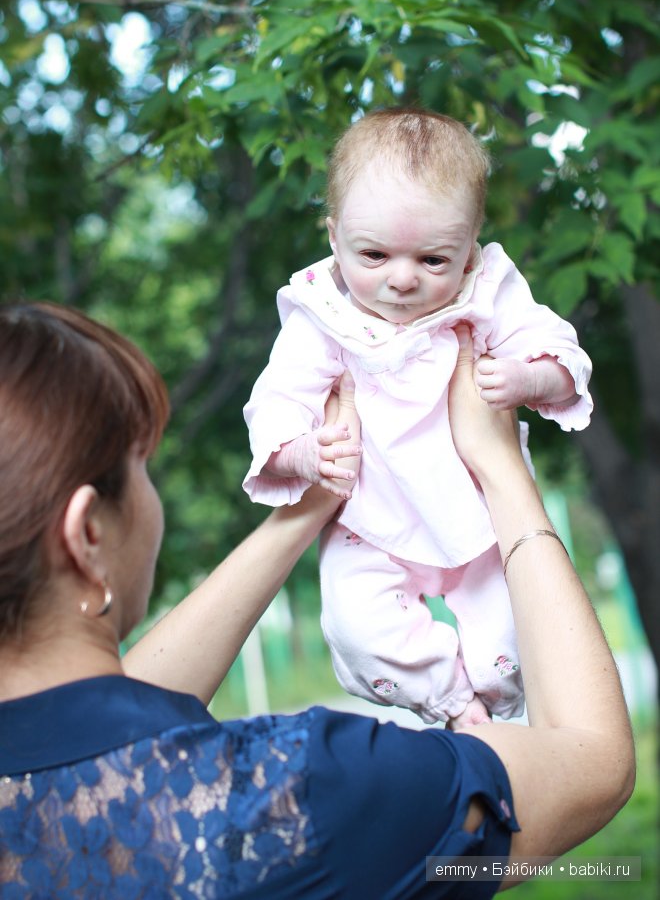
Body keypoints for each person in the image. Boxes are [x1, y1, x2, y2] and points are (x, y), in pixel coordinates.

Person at [0, 301, 633, 897]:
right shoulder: (297, 796)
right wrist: (501, 467)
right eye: (142, 466)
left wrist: (311, 505)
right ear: (88, 533)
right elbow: (591, 760)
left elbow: (107, 717)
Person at [242, 107, 593, 727]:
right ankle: (451, 702)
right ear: (333, 237)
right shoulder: (322, 313)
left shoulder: (488, 289)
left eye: (433, 260)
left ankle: (500, 706)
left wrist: (530, 376)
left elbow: (562, 351)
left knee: (518, 621)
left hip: (480, 508)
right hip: (371, 517)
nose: (401, 280)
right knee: (356, 624)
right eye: (373, 255)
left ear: (470, 247)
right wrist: (300, 451)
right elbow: (278, 396)